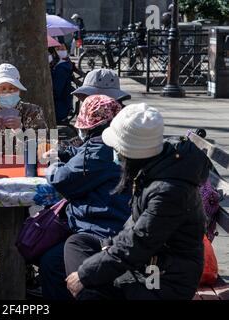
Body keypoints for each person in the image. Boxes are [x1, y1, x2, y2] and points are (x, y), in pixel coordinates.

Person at [65, 103, 210, 300]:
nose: (115, 155)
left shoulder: (169, 191)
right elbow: (132, 228)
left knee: (88, 289)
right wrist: (107, 248)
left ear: (130, 151)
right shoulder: (154, 168)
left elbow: (139, 242)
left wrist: (85, 275)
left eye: (117, 149)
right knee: (78, 242)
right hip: (147, 264)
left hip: (161, 281)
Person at [39, 95, 131, 300]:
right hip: (115, 221)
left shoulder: (100, 149)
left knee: (50, 261)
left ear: (89, 126)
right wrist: (64, 152)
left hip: (103, 228)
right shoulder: (115, 143)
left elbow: (63, 179)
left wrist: (52, 163)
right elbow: (83, 156)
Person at [51, 44, 75, 123]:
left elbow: (56, 92)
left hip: (59, 108)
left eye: (63, 48)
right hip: (63, 105)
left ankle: (50, 135)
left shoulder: (61, 69)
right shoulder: (64, 64)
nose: (61, 51)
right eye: (58, 48)